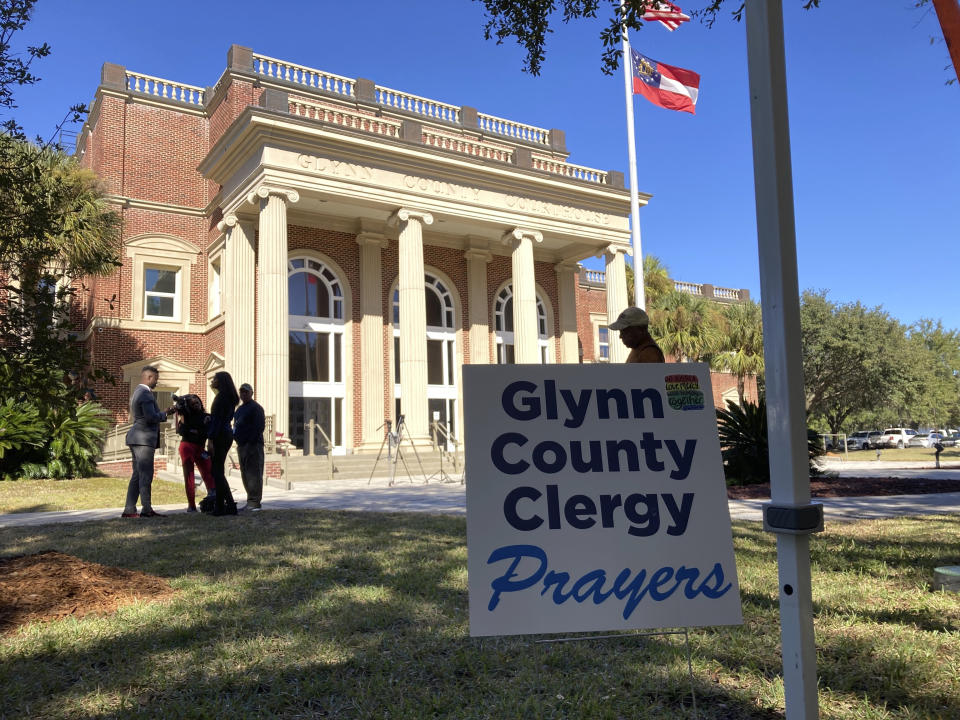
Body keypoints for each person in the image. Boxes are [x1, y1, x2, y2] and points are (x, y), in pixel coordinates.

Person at [122, 365, 175, 518]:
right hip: (143, 439)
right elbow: (151, 417)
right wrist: (165, 413)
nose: (156, 383)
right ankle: (147, 509)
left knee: (137, 474)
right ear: (149, 377)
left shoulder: (137, 392)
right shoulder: (145, 394)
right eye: (156, 380)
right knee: (146, 474)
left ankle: (129, 510)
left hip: (135, 438)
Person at [174, 394, 216, 512]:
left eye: (197, 402)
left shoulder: (207, 416)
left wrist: (195, 431)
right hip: (187, 447)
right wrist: (196, 430)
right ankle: (191, 505)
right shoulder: (185, 417)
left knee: (208, 472)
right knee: (189, 475)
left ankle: (212, 499)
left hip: (201, 448)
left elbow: (207, 432)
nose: (196, 404)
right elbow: (182, 431)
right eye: (192, 403)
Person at [206, 371, 239, 516]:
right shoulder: (229, 398)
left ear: (220, 381)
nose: (212, 381)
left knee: (217, 471)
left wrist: (211, 439)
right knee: (217, 471)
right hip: (226, 433)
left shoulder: (221, 398)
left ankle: (228, 506)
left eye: (214, 379)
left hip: (220, 435)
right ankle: (222, 506)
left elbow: (217, 421)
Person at [233, 382, 266, 512]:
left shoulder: (256, 408)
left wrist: (250, 442)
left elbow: (259, 427)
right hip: (241, 446)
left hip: (253, 446)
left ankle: (255, 502)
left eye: (246, 392)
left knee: (254, 474)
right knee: (245, 474)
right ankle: (250, 500)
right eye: (242, 392)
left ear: (251, 393)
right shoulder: (239, 409)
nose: (243, 394)